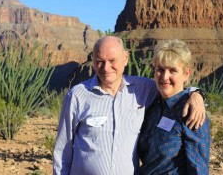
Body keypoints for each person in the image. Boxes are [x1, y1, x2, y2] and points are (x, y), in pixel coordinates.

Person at [53, 36, 206, 175]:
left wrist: (196, 94)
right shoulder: (77, 96)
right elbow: (62, 151)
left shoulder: (146, 91)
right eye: (100, 61)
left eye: (112, 61)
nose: (106, 68)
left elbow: (174, 89)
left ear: (125, 58)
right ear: (92, 60)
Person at [138, 39, 210, 174]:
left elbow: (198, 169)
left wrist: (197, 95)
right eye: (160, 69)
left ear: (186, 74)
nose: (165, 77)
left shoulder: (191, 112)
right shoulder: (152, 105)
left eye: (173, 70)